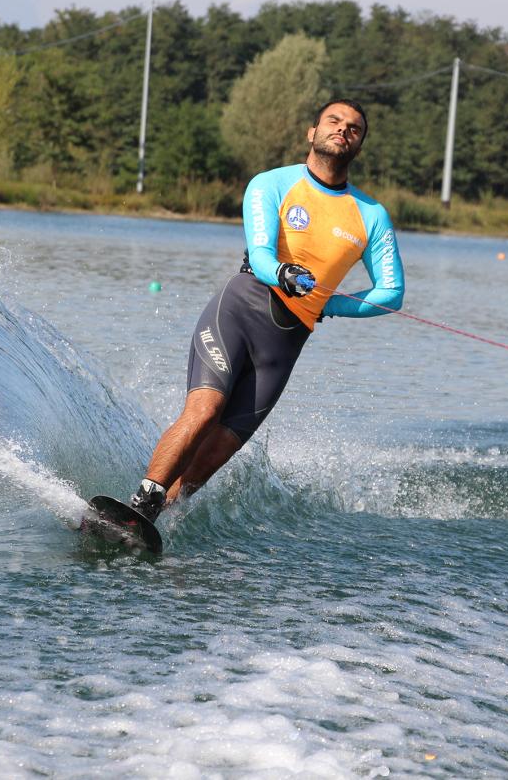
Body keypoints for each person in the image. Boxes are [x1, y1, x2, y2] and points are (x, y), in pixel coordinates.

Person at [129, 99, 405, 521]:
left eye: (354, 128)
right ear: (312, 133)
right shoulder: (272, 184)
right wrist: (282, 272)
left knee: (218, 451)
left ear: (359, 145)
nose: (343, 129)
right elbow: (259, 254)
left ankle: (155, 518)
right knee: (205, 411)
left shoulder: (371, 215)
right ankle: (142, 499)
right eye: (333, 121)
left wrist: (330, 303)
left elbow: (392, 292)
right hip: (241, 309)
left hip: (286, 342)